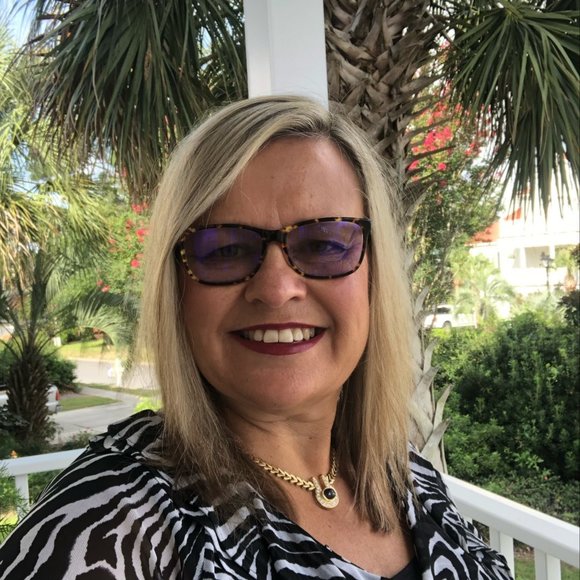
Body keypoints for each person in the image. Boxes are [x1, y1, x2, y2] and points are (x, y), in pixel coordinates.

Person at [0, 96, 512, 579]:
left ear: (374, 276)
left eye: (323, 243)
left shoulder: (407, 474)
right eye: (224, 249)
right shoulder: (108, 525)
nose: (276, 289)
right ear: (176, 290)